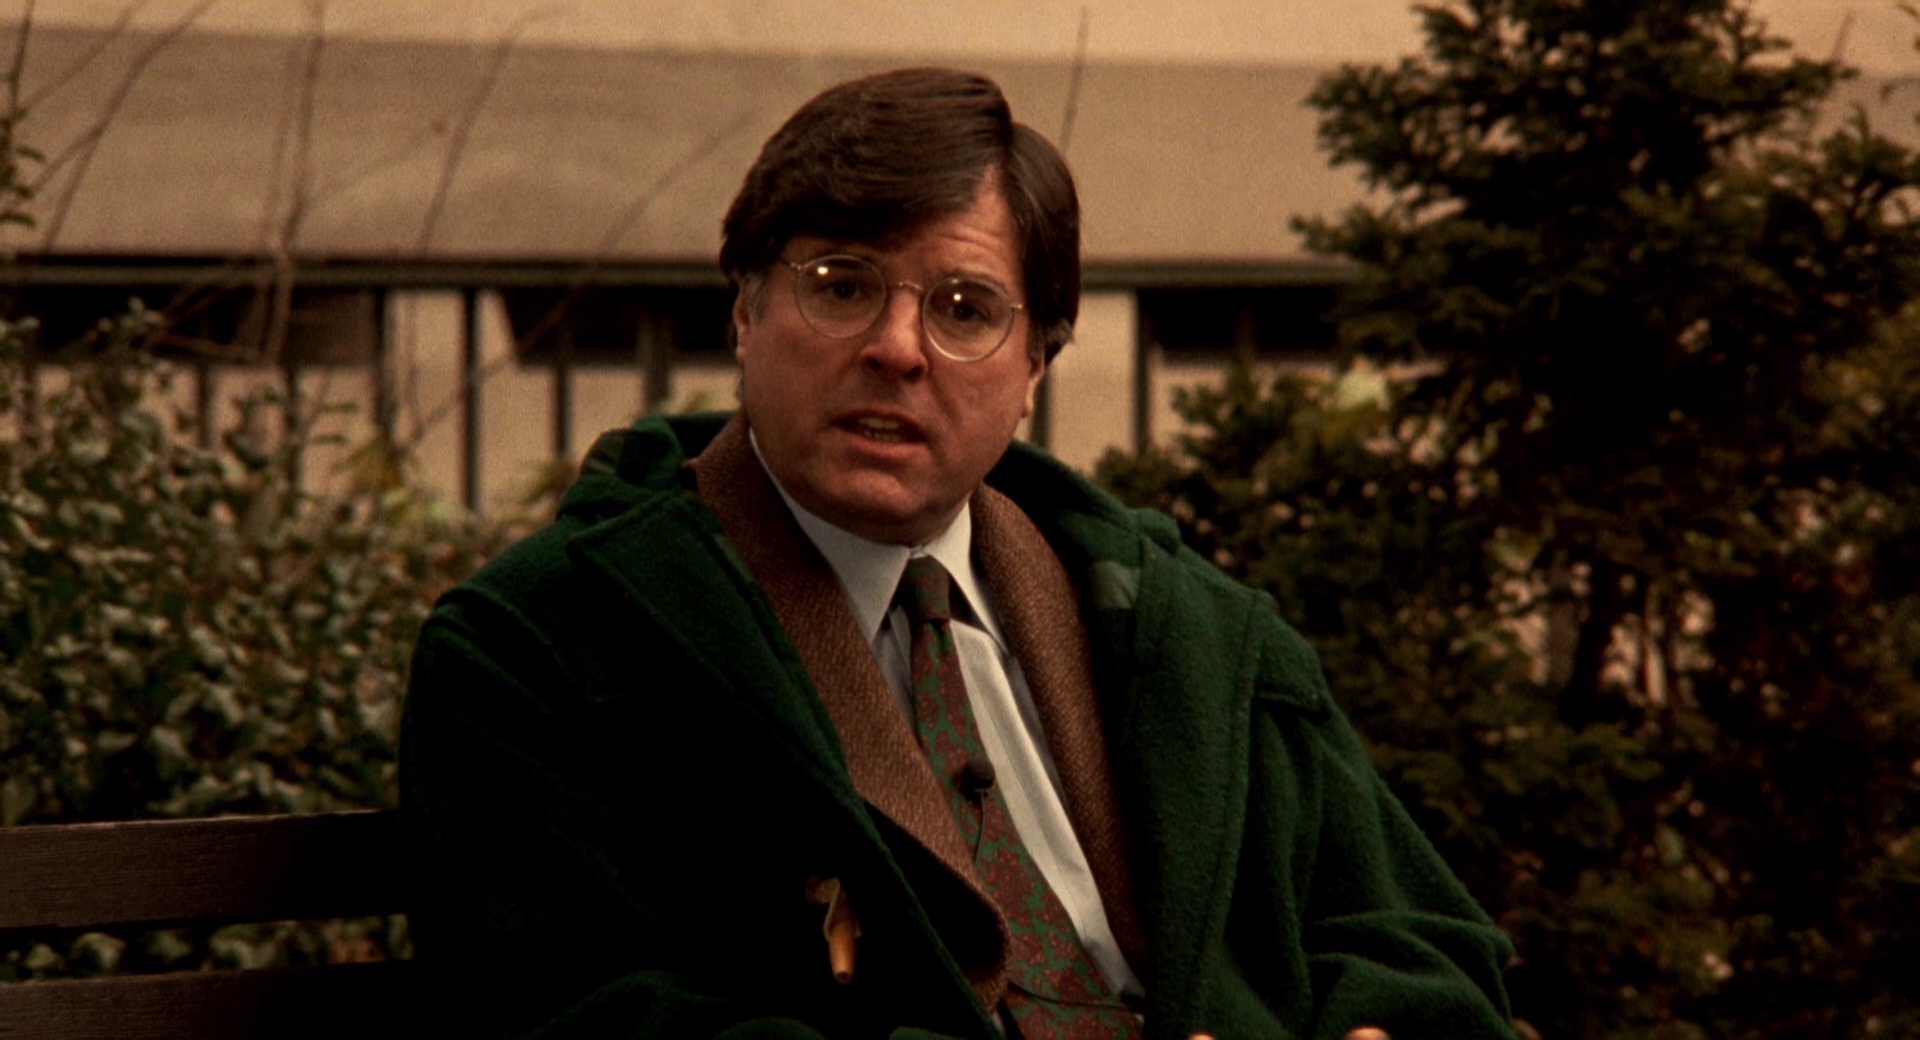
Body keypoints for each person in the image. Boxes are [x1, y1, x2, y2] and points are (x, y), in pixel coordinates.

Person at [401, 67, 1516, 1040]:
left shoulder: (1185, 632)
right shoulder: (542, 651)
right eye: (841, 286)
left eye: (966, 309)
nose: (897, 348)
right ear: (744, 311)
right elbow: (571, 1013)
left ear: (1035, 368)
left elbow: (1425, 945)